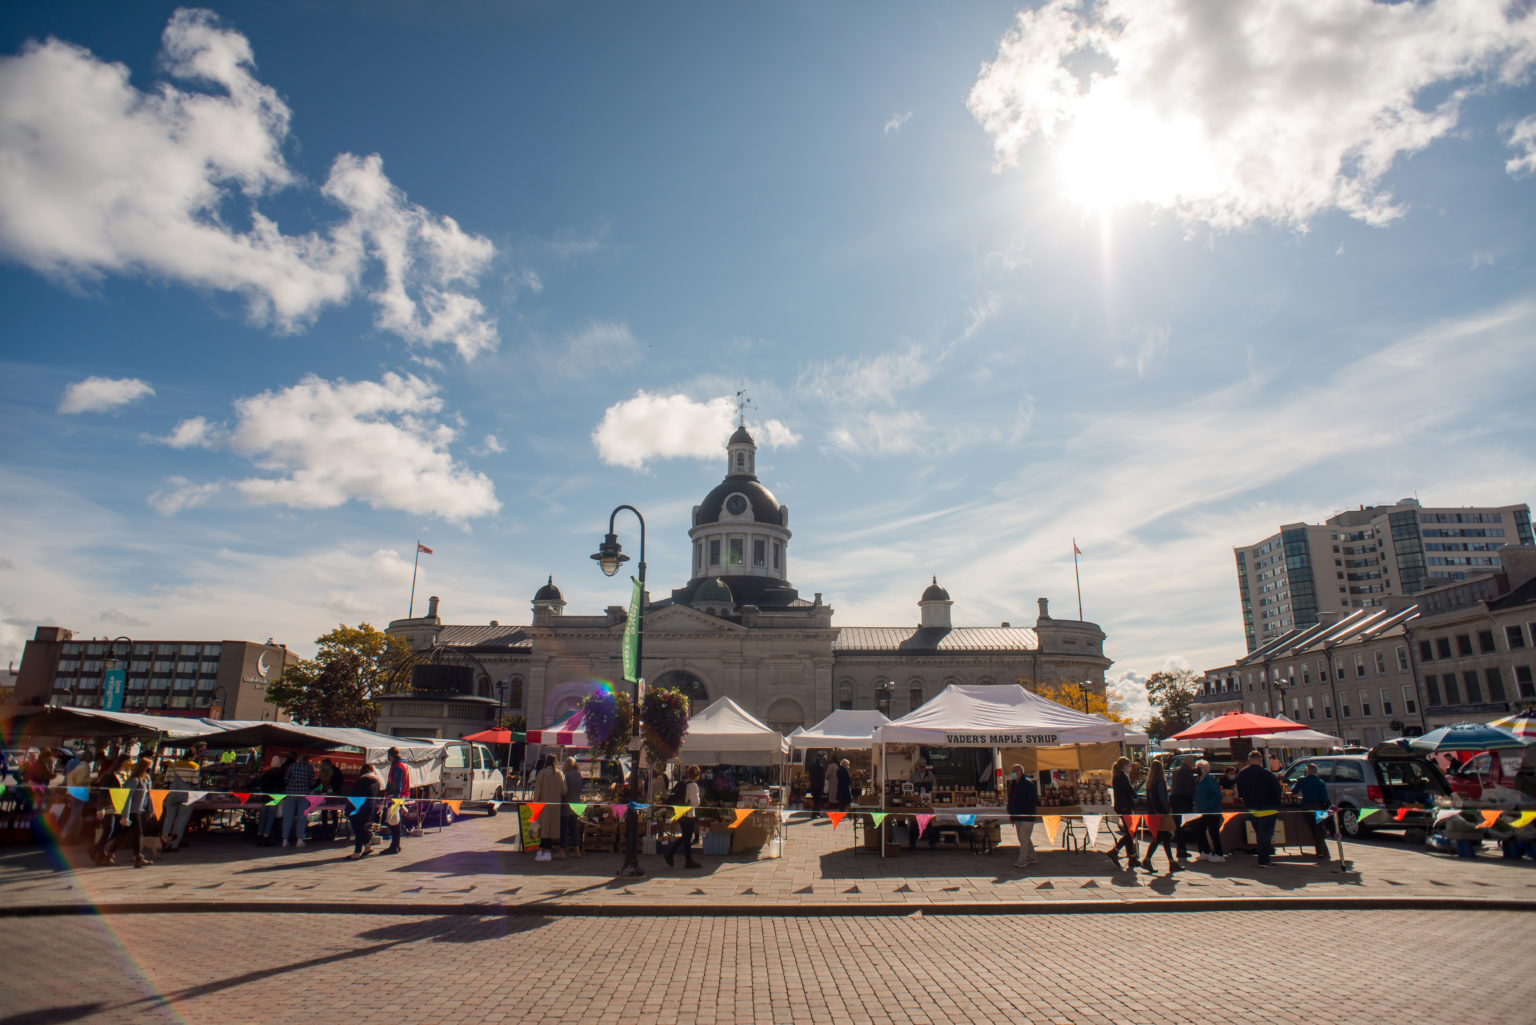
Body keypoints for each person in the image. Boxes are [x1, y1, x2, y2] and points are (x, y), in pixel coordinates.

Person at [1236, 750, 1284, 867]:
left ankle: (1263, 857)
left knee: (1259, 834)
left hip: (1252, 808)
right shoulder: (1266, 774)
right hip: (1268, 808)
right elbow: (1276, 790)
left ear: (1249, 760)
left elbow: (1240, 792)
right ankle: (1264, 860)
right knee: (1265, 836)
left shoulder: (1242, 774)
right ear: (1260, 760)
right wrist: (1277, 804)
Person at [105, 757, 154, 868]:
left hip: (140, 810)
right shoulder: (134, 780)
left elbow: (149, 796)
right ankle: (138, 857)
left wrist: (151, 810)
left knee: (123, 834)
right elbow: (128, 798)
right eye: (149, 767)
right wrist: (125, 815)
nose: (150, 768)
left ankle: (109, 854)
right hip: (132, 811)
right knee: (137, 833)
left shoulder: (146, 780)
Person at [159, 743, 204, 853]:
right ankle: (175, 844)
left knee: (169, 818)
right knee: (181, 819)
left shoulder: (173, 765)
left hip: (172, 792)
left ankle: (164, 843)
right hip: (186, 794)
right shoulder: (194, 766)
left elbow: (167, 779)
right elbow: (195, 782)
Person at [1141, 760, 1182, 873]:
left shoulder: (1149, 783)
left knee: (1163, 837)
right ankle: (1149, 860)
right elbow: (1162, 798)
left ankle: (1170, 862)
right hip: (1161, 813)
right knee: (1161, 837)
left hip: (1154, 814)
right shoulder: (1159, 781)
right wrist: (1166, 811)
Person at [89, 755, 130, 864]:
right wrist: (100, 808)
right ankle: (100, 854)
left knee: (121, 830)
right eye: (127, 761)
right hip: (109, 806)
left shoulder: (126, 775)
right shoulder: (110, 775)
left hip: (121, 806)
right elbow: (103, 792)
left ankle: (97, 849)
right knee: (108, 830)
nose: (129, 764)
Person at [1290, 762, 1332, 861]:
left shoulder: (1302, 780)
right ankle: (1321, 851)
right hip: (1318, 807)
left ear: (1307, 771)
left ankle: (1322, 851)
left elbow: (1294, 791)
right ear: (1316, 772)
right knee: (1319, 829)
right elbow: (1324, 797)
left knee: (1312, 828)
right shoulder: (1320, 782)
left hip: (1306, 807)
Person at [1105, 757, 1140, 871]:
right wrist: (1135, 794)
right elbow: (1128, 791)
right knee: (1131, 832)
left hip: (1121, 806)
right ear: (1125, 767)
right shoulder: (1122, 777)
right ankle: (1115, 851)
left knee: (1130, 832)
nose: (1130, 769)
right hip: (1125, 807)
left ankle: (1132, 858)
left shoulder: (1117, 776)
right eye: (1129, 766)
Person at [664, 765, 702, 869]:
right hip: (688, 814)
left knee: (686, 837)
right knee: (687, 837)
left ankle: (686, 859)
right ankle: (672, 853)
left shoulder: (683, 783)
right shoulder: (693, 786)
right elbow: (695, 802)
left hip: (680, 813)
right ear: (697, 775)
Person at [346, 765, 383, 859]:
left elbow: (354, 797)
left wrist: (348, 809)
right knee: (362, 827)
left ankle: (357, 852)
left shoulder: (362, 781)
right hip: (370, 808)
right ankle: (367, 846)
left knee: (358, 829)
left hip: (358, 809)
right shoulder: (377, 782)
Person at [1192, 759, 1225, 863]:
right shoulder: (1198, 780)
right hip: (1201, 810)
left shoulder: (1210, 780)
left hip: (1212, 811)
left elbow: (1218, 795)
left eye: (1199, 767)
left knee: (1213, 832)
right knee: (1200, 830)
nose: (1196, 769)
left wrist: (1208, 805)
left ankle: (1219, 854)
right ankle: (1205, 851)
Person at [532, 755, 564, 862]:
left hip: (543, 805)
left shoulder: (542, 773)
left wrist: (535, 803)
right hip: (555, 806)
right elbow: (565, 791)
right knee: (550, 829)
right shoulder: (559, 774)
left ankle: (543, 852)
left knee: (543, 829)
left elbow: (537, 791)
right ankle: (546, 852)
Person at [1006, 762, 1038, 869]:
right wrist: (1010, 810)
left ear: (1020, 772)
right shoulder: (1013, 784)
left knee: (1024, 837)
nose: (1012, 773)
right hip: (1017, 815)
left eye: (1014, 771)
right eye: (1011, 771)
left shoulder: (1029, 784)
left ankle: (1022, 860)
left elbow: (1032, 800)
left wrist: (1025, 811)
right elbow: (1011, 798)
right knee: (1022, 837)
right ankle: (1032, 856)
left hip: (1027, 815)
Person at [281, 753, 317, 848]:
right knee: (302, 817)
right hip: (304, 794)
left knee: (288, 817)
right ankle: (299, 839)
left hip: (291, 793)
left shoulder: (292, 766)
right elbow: (313, 782)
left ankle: (285, 840)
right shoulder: (309, 768)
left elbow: (286, 779)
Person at [382, 747, 412, 855]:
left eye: (388, 756)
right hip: (399, 796)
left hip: (395, 797)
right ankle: (396, 845)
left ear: (391, 755)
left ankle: (394, 845)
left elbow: (397, 783)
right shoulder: (403, 765)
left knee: (393, 820)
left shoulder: (397, 766)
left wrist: (395, 798)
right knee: (395, 819)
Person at [254, 757, 289, 846]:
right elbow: (281, 787)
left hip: (265, 798)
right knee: (270, 818)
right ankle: (266, 836)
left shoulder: (266, 773)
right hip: (274, 799)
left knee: (263, 817)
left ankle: (259, 836)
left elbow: (262, 785)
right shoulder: (280, 774)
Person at [1169, 753, 1198, 861]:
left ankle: (1181, 850)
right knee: (1194, 825)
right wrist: (1194, 801)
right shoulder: (1187, 771)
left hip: (1175, 799)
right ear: (1191, 762)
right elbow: (1190, 788)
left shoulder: (1176, 770)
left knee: (1178, 827)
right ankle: (1203, 848)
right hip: (1184, 800)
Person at [561, 756, 584, 858]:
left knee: (563, 828)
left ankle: (563, 851)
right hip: (576, 804)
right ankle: (577, 850)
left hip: (566, 803)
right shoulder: (579, 775)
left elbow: (563, 790)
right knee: (573, 827)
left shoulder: (564, 775)